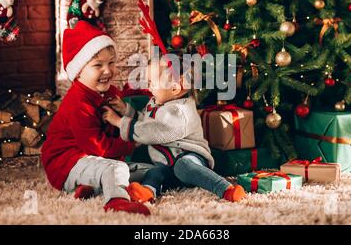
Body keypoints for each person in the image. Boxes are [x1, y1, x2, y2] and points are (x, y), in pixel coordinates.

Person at [41, 21, 152, 215]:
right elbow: (98, 147)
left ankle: (91, 187)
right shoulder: (78, 103)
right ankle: (116, 201)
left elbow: (119, 124)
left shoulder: (109, 93)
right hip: (67, 163)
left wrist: (125, 110)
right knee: (116, 168)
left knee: (144, 170)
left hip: (95, 159)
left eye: (111, 63)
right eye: (97, 65)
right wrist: (132, 143)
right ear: (79, 72)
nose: (107, 71)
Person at [102, 54, 246, 203]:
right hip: (167, 165)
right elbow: (146, 123)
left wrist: (119, 122)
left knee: (183, 166)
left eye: (152, 82)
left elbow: (154, 131)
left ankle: (226, 189)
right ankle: (148, 191)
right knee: (155, 172)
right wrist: (125, 110)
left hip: (190, 157)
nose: (148, 86)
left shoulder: (180, 111)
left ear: (175, 88)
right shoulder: (156, 102)